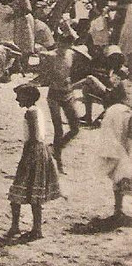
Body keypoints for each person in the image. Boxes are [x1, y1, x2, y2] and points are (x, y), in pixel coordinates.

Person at [5, 83, 60, 240]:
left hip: (33, 152)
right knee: (33, 192)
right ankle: (35, 228)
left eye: (20, 96)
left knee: (19, 191)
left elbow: (34, 136)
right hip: (40, 151)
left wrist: (27, 157)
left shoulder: (31, 113)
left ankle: (19, 227)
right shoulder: (37, 111)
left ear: (27, 97)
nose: (17, 99)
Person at [39, 30, 80, 172]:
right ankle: (59, 163)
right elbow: (44, 74)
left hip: (67, 93)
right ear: (58, 43)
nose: (64, 48)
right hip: (54, 94)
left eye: (67, 45)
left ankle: (56, 149)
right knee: (58, 129)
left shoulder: (71, 54)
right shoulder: (50, 56)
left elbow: (72, 71)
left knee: (75, 127)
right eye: (62, 45)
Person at [96, 83, 132, 222]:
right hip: (123, 147)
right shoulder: (125, 112)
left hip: (113, 148)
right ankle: (118, 210)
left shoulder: (112, 110)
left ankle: (118, 209)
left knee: (118, 179)